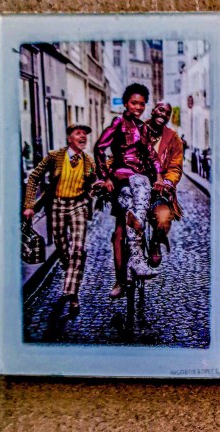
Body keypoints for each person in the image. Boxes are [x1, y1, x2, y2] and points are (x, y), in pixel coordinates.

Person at [94, 83, 164, 296]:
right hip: (122, 179)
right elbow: (99, 147)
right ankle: (120, 281)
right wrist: (104, 177)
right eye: (134, 103)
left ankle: (143, 254)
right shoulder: (118, 122)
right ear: (126, 103)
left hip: (141, 178)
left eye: (142, 104)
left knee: (149, 210)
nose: (138, 107)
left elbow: (152, 155)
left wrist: (160, 175)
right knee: (118, 232)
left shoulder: (143, 128)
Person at [23, 123, 97, 316]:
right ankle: (69, 268)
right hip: (57, 205)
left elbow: (93, 182)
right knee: (62, 248)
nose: (83, 137)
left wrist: (98, 186)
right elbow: (34, 177)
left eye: (85, 134)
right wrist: (30, 205)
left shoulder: (89, 161)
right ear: (69, 138)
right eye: (78, 133)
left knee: (78, 249)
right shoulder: (55, 156)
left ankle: (72, 294)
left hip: (78, 206)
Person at [135, 101, 184, 268]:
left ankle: (156, 241)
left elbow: (175, 166)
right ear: (153, 110)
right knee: (124, 225)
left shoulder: (173, 138)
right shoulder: (136, 130)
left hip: (160, 192)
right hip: (134, 186)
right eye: (161, 110)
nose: (164, 114)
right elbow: (121, 154)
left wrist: (167, 182)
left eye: (167, 113)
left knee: (163, 219)